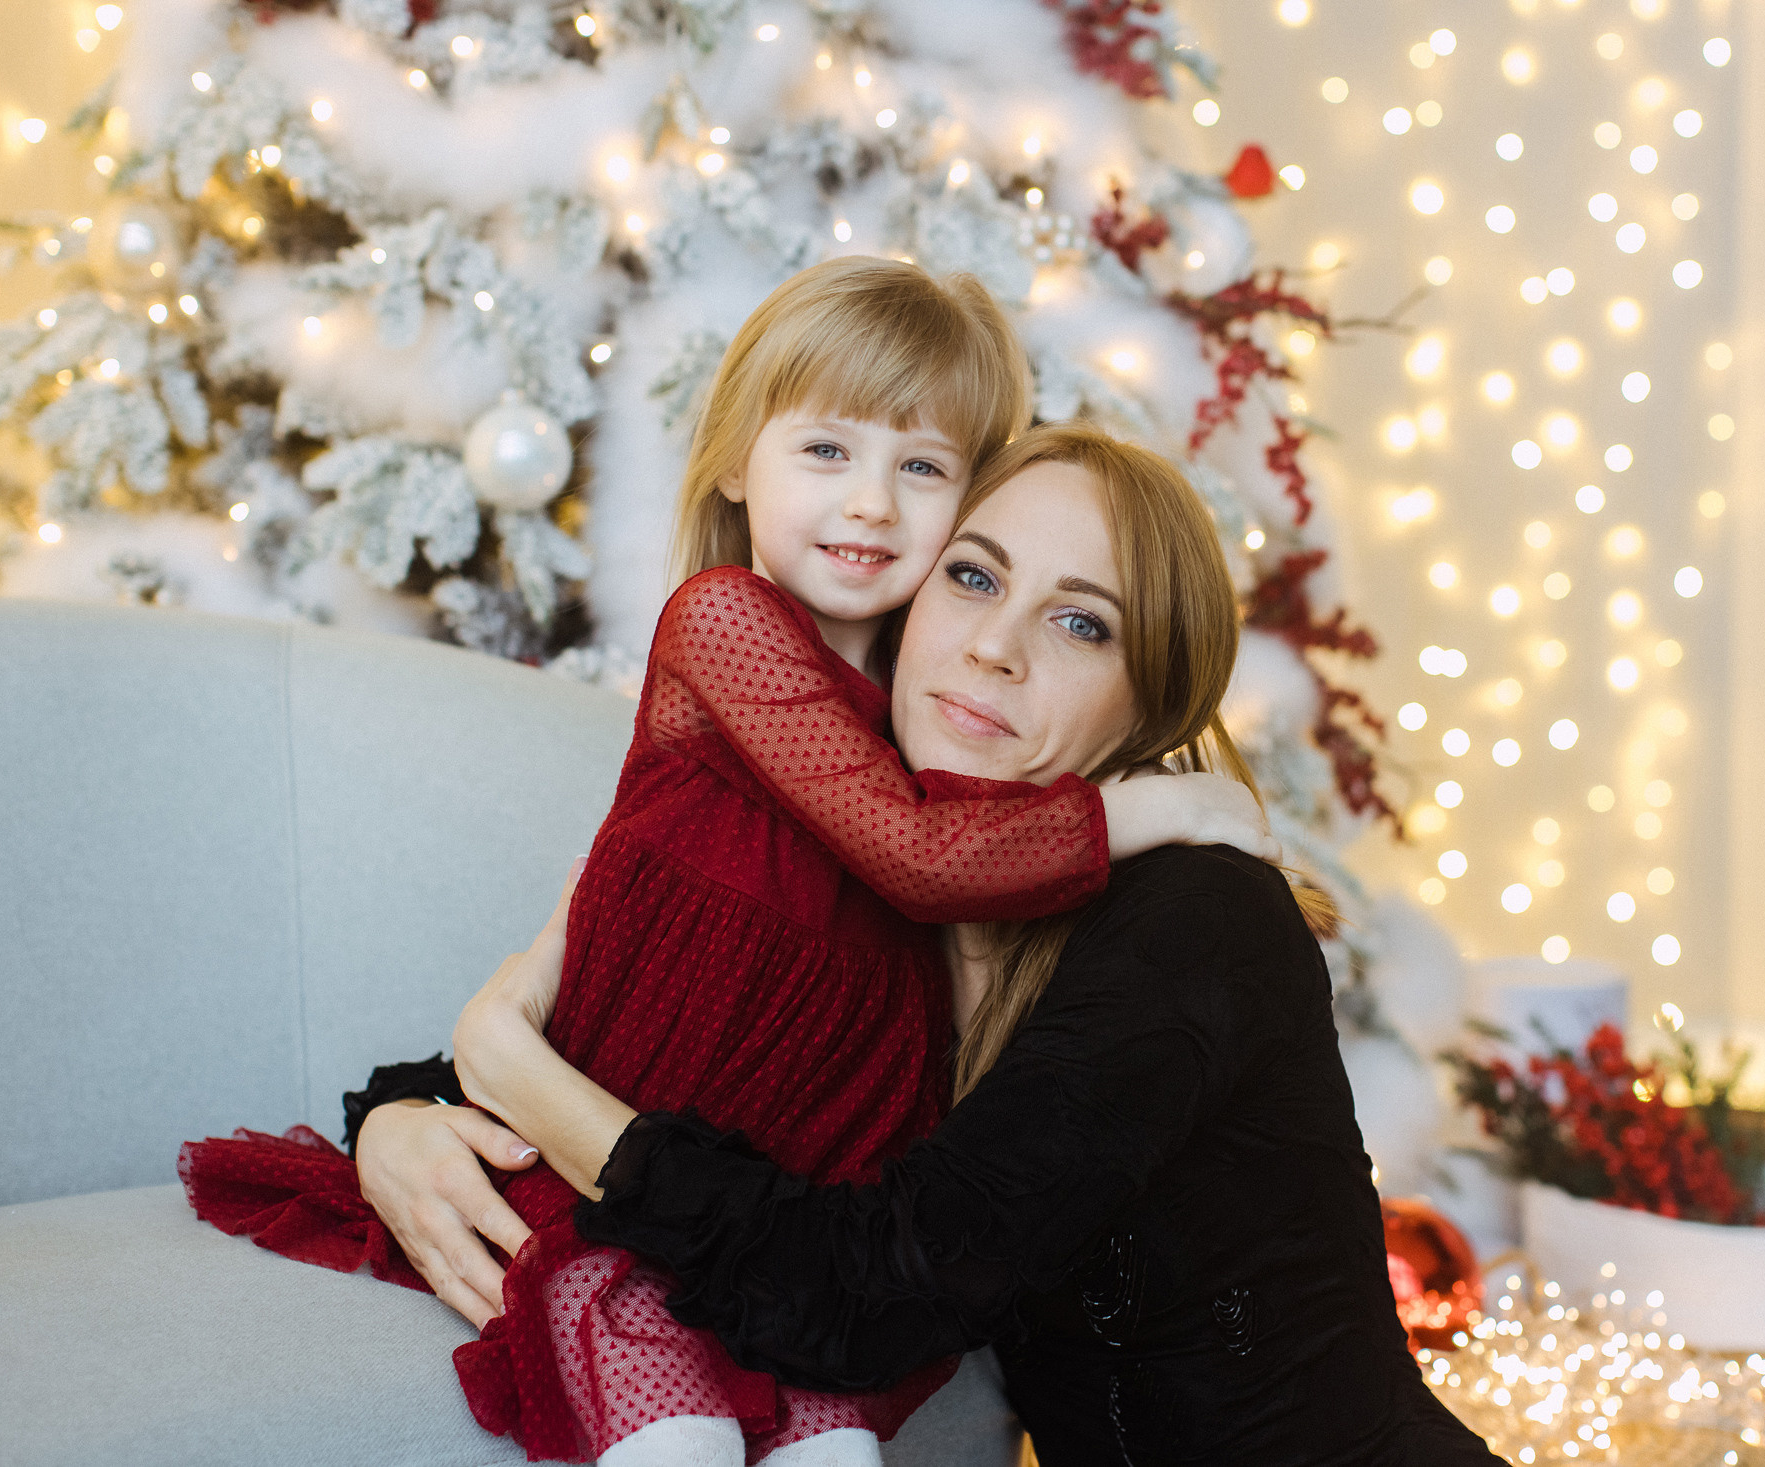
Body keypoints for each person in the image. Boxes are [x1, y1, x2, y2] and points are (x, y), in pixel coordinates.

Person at [181, 261, 1274, 1467]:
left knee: (833, 1456)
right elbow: (902, 862)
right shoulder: (725, 620)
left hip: (788, 1210)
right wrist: (1152, 813)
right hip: (640, 1176)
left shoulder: (935, 717)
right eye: (826, 453)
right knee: (680, 1442)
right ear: (733, 465)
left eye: (921, 470)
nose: (870, 505)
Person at [359, 425, 1505, 1465]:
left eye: (1079, 622)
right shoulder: (866, 884)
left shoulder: (1198, 922)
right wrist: (402, 1122)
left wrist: (513, 1073)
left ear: (1146, 715)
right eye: (972, 576)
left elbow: (866, 1300)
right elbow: (629, 1043)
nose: (995, 646)